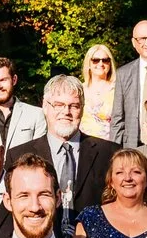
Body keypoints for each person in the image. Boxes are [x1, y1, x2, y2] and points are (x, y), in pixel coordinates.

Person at [38, 75, 115, 215]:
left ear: (83, 109)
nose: (66, 112)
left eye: (74, 106)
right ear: (44, 106)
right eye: (59, 105)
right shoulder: (21, 154)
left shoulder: (109, 153)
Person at [78, 45, 120, 142]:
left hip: (110, 145)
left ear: (110, 63)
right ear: (88, 63)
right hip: (84, 145)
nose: (101, 64)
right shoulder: (80, 89)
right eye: (96, 60)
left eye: (105, 60)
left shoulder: (117, 89)